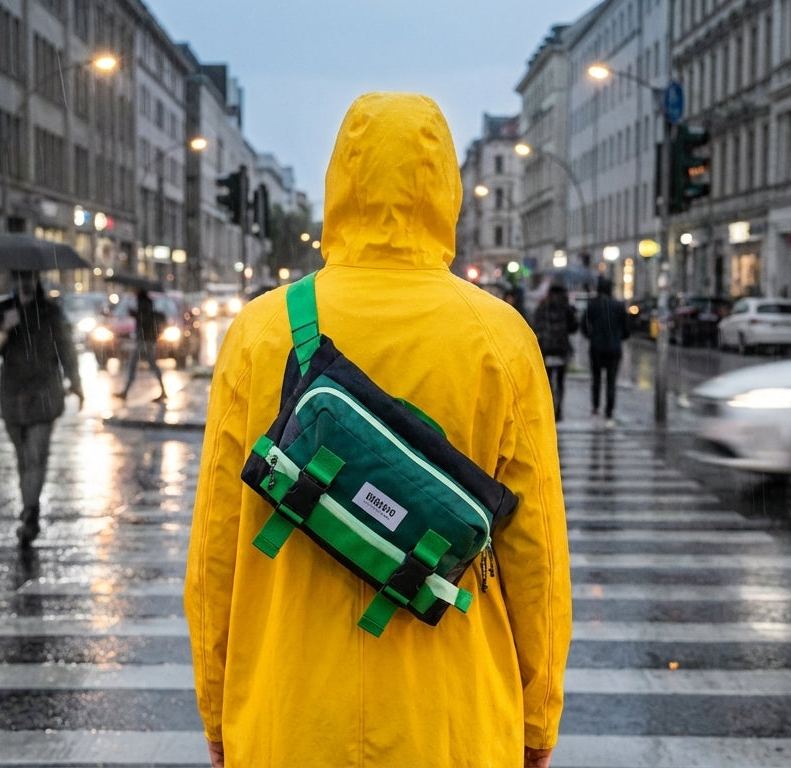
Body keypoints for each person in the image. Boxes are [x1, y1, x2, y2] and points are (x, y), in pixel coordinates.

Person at [185, 92, 572, 768]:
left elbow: (219, 545)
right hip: (451, 720)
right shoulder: (499, 337)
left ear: (341, 182)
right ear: (445, 189)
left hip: (291, 713)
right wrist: (538, 718)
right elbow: (536, 554)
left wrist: (218, 708)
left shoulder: (260, 330)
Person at [0, 271, 84, 547]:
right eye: (18, 278)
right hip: (12, 396)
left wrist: (75, 382)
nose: (24, 284)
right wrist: (5, 328)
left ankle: (30, 512)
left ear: (36, 281)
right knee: (22, 459)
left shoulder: (50, 312)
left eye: (28, 278)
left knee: (36, 456)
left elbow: (66, 349)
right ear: (12, 283)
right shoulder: (2, 311)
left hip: (44, 394)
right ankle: (30, 508)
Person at [581, 276, 628, 426]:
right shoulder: (619, 306)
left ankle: (595, 407)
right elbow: (627, 329)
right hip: (614, 348)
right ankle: (609, 410)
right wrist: (618, 337)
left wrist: (591, 336)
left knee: (596, 379)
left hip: (597, 347)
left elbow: (583, 324)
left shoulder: (592, 305)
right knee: (611, 380)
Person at [530, 281, 578, 422]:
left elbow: (535, 324)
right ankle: (559, 411)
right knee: (560, 382)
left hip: (547, 348)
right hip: (561, 349)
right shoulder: (566, 308)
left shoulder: (543, 306)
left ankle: (549, 409)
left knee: (547, 381)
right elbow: (573, 328)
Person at [117, 287, 168, 402]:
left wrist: (135, 314)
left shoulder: (144, 303)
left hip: (145, 339)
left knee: (134, 364)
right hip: (147, 339)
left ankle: (126, 391)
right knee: (149, 364)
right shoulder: (145, 302)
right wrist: (135, 314)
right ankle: (163, 390)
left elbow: (145, 320)